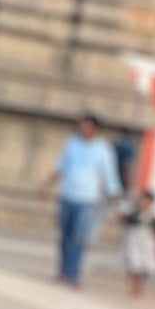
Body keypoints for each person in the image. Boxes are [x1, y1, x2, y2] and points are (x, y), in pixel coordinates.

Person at [48, 112, 121, 286]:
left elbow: (109, 175)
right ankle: (63, 272)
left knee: (78, 239)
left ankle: (73, 274)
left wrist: (115, 195)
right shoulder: (72, 143)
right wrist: (47, 187)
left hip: (87, 199)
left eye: (86, 126)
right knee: (65, 237)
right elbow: (61, 166)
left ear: (94, 129)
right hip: (68, 195)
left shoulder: (102, 149)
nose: (83, 129)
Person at [120, 187, 155, 297]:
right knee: (134, 264)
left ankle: (140, 285)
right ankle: (134, 288)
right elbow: (124, 220)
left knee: (147, 267)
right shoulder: (134, 213)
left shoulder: (154, 217)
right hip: (133, 241)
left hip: (147, 244)